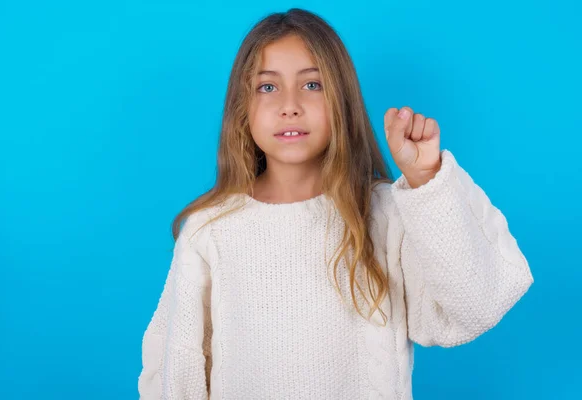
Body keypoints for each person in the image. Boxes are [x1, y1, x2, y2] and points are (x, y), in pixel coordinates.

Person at [137, 8, 533, 400]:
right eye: (267, 87)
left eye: (312, 85)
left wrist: (426, 177)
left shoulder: (386, 214)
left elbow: (473, 307)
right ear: (243, 109)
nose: (289, 105)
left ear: (341, 101)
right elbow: (179, 370)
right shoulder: (211, 231)